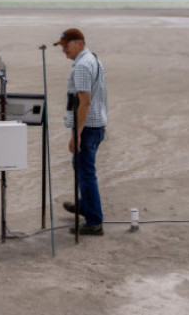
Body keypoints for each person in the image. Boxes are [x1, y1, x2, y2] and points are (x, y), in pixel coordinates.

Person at [54, 28, 108, 236]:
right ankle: (85, 206)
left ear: (79, 43)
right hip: (95, 125)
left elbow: (84, 103)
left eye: (66, 46)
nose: (64, 51)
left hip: (88, 128)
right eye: (62, 47)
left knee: (86, 173)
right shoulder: (92, 59)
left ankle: (94, 222)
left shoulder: (83, 67)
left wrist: (76, 134)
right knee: (81, 168)